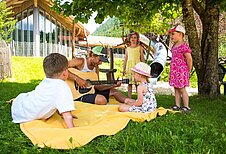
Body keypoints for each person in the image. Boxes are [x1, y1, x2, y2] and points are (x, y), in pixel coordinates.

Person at [11, 53, 76, 128]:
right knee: (25, 97)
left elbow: (54, 99)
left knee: (28, 97)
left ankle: (15, 102)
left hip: (20, 110)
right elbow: (66, 113)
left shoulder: (46, 81)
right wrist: (72, 127)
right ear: (65, 73)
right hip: (26, 115)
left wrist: (61, 112)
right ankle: (15, 101)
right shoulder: (63, 87)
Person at [168, 24, 193, 112]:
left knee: (182, 89)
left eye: (173, 34)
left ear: (180, 34)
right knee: (176, 88)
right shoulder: (174, 46)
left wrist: (188, 70)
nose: (171, 36)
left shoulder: (184, 46)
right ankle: (177, 105)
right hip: (175, 70)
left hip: (181, 71)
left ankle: (186, 106)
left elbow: (189, 59)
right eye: (171, 34)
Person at [123, 32, 145, 98]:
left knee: (137, 83)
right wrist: (123, 69)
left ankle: (139, 97)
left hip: (137, 67)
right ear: (129, 39)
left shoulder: (140, 48)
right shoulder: (127, 49)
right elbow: (125, 59)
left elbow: (142, 58)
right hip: (129, 67)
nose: (133, 39)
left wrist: (144, 67)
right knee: (129, 83)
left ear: (137, 39)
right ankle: (129, 97)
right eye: (132, 37)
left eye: (135, 38)